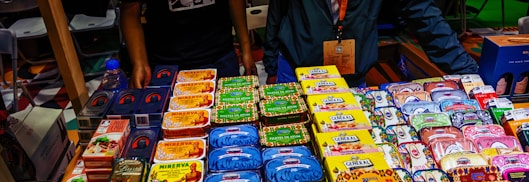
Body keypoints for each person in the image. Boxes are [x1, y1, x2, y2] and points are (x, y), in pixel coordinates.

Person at [262, 0, 479, 87]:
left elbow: (424, 16)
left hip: (351, 78)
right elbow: (276, 13)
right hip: (296, 71)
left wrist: (471, 75)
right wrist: (271, 65)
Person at [120, 0, 256, 89]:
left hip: (220, 58)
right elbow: (130, 7)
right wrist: (139, 63)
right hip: (166, 65)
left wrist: (246, 48)